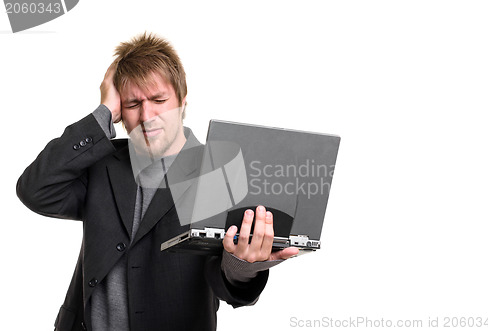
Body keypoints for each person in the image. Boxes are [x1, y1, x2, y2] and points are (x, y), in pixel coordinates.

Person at [16, 32, 298, 331]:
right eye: (132, 103)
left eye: (159, 99)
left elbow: (225, 282)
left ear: (182, 100)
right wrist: (102, 112)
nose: (147, 115)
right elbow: (35, 190)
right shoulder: (100, 163)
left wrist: (243, 265)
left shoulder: (217, 171)